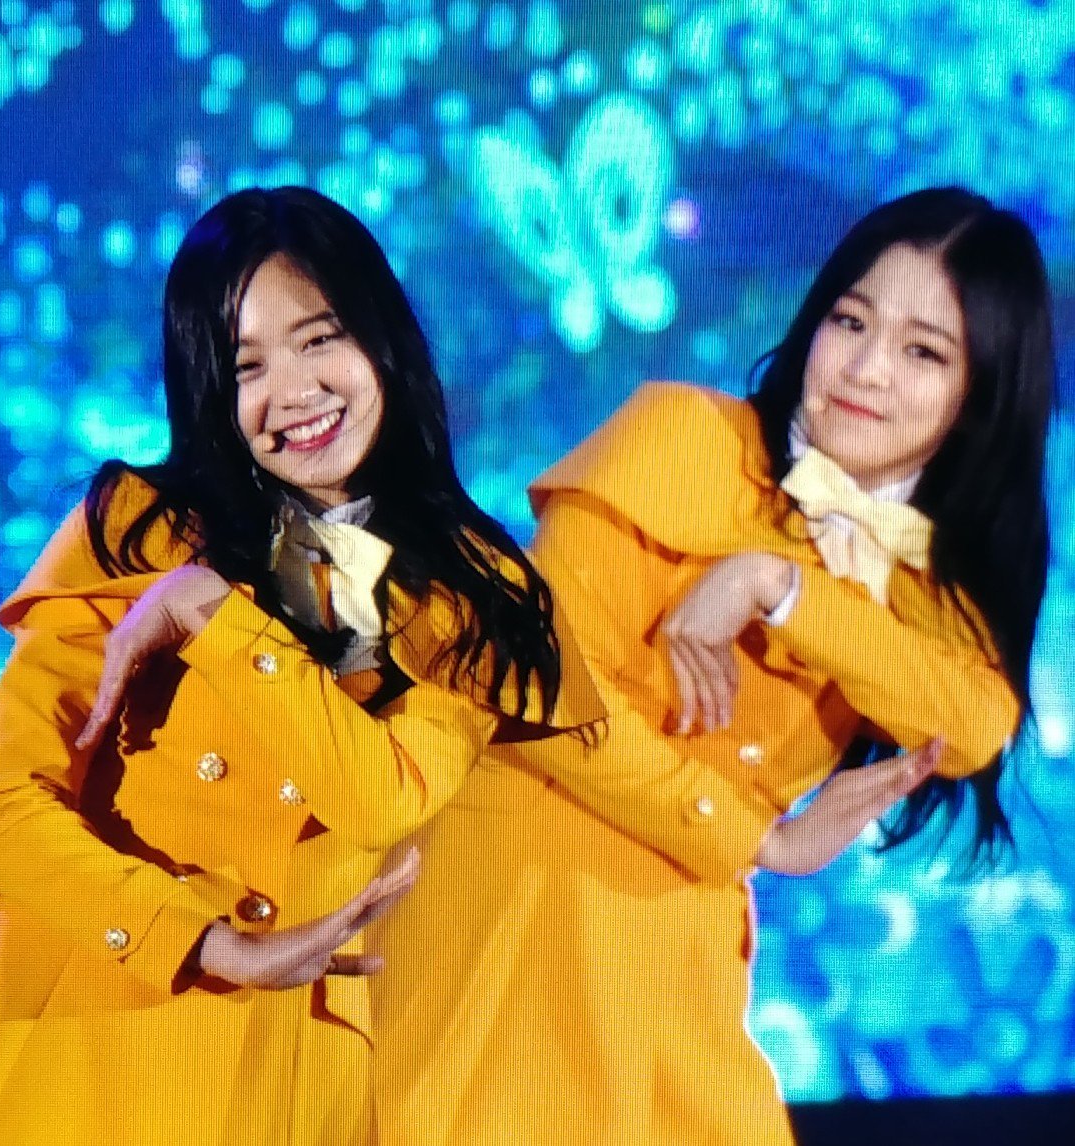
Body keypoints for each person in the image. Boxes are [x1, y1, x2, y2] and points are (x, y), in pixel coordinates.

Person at [0, 186, 603, 1145]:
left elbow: (379, 797)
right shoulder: (141, 526)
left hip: (278, 1073)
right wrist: (201, 940)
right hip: (55, 1028)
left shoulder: (471, 588)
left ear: (381, 341)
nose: (295, 392)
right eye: (246, 366)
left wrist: (215, 617)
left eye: (319, 340)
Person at [370, 186, 1054, 1144]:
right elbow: (544, 695)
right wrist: (754, 838)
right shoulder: (685, 436)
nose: (866, 369)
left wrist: (779, 587)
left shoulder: (916, 581)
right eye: (850, 321)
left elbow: (975, 724)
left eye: (924, 352)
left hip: (677, 961)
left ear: (979, 396)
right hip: (516, 917)